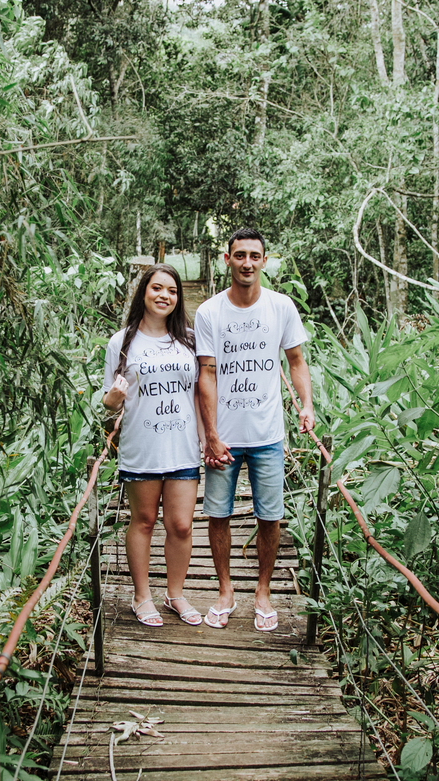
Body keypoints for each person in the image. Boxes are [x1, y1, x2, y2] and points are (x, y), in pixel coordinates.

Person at [194, 228, 314, 632]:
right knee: (217, 514)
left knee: (270, 516)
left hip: (268, 435)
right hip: (224, 437)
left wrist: (307, 405)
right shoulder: (209, 312)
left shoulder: (281, 307)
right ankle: (225, 591)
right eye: (240, 255)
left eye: (254, 256)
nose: (247, 262)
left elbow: (295, 360)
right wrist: (210, 434)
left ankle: (263, 592)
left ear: (264, 260)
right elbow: (207, 374)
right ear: (227, 259)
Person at [102, 264, 204, 627]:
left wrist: (207, 439)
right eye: (157, 288)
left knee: (181, 525)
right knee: (143, 521)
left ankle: (175, 594)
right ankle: (141, 596)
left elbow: (199, 394)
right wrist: (113, 398)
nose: (165, 295)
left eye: (172, 291)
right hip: (142, 446)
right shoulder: (122, 342)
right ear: (143, 293)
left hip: (183, 447)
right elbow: (109, 401)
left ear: (179, 298)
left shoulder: (190, 341)